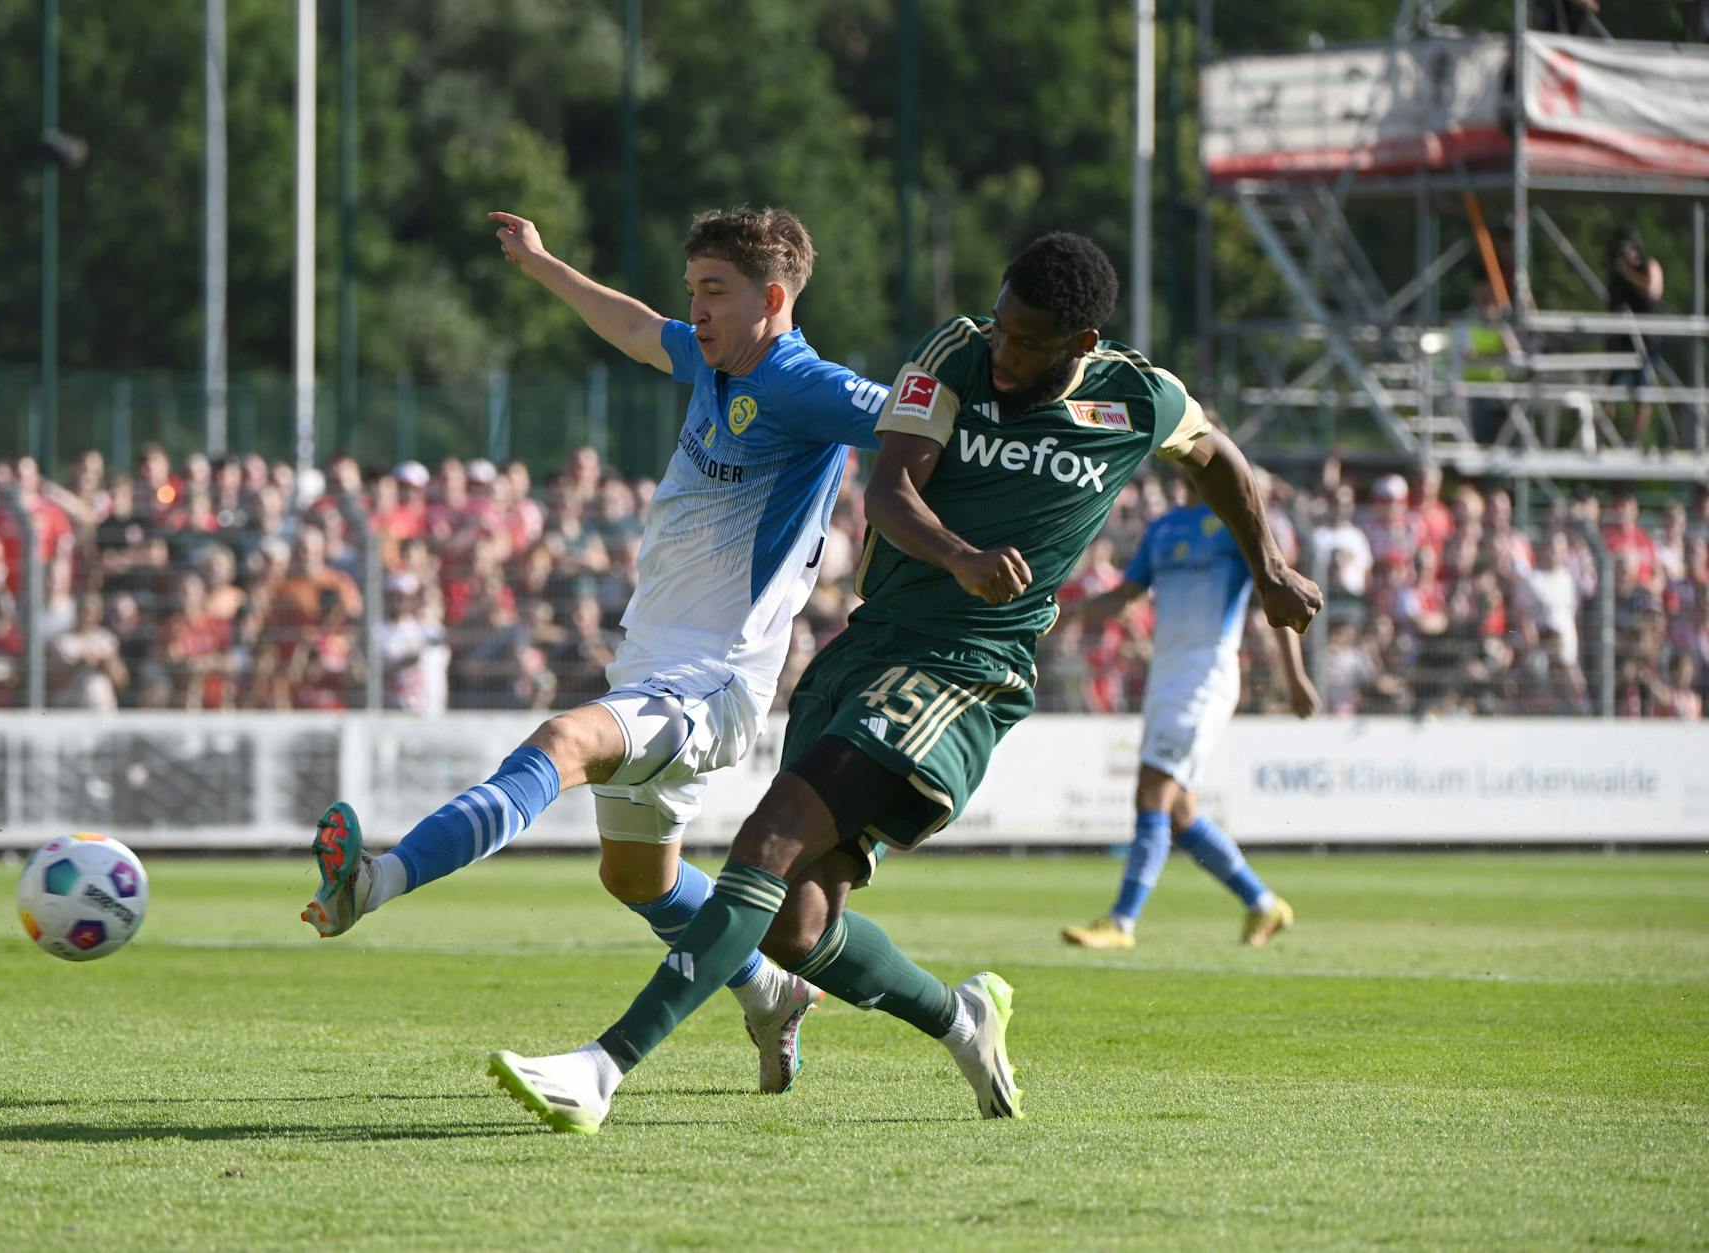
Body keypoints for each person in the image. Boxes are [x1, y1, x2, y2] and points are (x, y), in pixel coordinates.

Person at [482, 232, 1323, 1134]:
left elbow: (1220, 457)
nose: (1003, 354)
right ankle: (962, 1018)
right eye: (1000, 328)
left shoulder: (1138, 397)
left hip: (970, 667)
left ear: (1081, 346)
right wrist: (959, 554)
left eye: (1026, 342)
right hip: (870, 646)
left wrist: (1268, 566)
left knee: (766, 841)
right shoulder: (954, 353)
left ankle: (602, 1067)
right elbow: (889, 492)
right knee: (794, 926)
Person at [301, 206, 890, 1095]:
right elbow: (631, 325)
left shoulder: (809, 386)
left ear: (774, 298)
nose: (693, 311)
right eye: (692, 289)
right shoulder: (712, 358)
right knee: (638, 880)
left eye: (713, 293)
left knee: (560, 743)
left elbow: (918, 428)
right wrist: (542, 265)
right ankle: (771, 993)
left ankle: (373, 883)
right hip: (651, 667)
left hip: (714, 681)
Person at [1059, 469, 1318, 951]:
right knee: (1180, 813)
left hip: (1206, 675)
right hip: (1166, 675)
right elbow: (1124, 596)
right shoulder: (1163, 528)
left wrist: (1293, 676)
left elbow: (1275, 593)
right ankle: (1264, 904)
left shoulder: (1238, 526)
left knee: (1152, 789)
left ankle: (1122, 921)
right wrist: (1067, 611)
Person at [1605, 228, 1665, 447]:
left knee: (1643, 390)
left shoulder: (1650, 266)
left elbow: (1652, 291)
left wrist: (1627, 273)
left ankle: (1634, 440)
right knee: (1608, 389)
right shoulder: (1617, 278)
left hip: (1647, 339)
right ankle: (1602, 435)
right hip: (1623, 339)